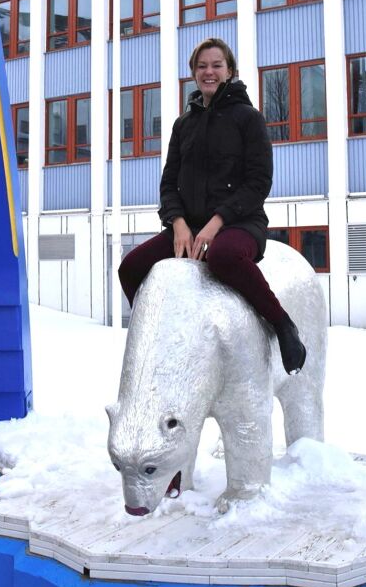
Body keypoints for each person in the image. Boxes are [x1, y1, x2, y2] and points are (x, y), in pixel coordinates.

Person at [117, 38, 306, 375]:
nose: (209, 71)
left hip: (239, 223)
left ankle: (282, 325)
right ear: (193, 73)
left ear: (229, 71)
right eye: (202, 66)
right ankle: (157, 338)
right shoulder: (182, 125)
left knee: (223, 256)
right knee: (129, 268)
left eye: (217, 65)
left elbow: (258, 182)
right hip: (189, 225)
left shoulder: (249, 119)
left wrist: (218, 221)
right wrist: (176, 222)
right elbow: (168, 183)